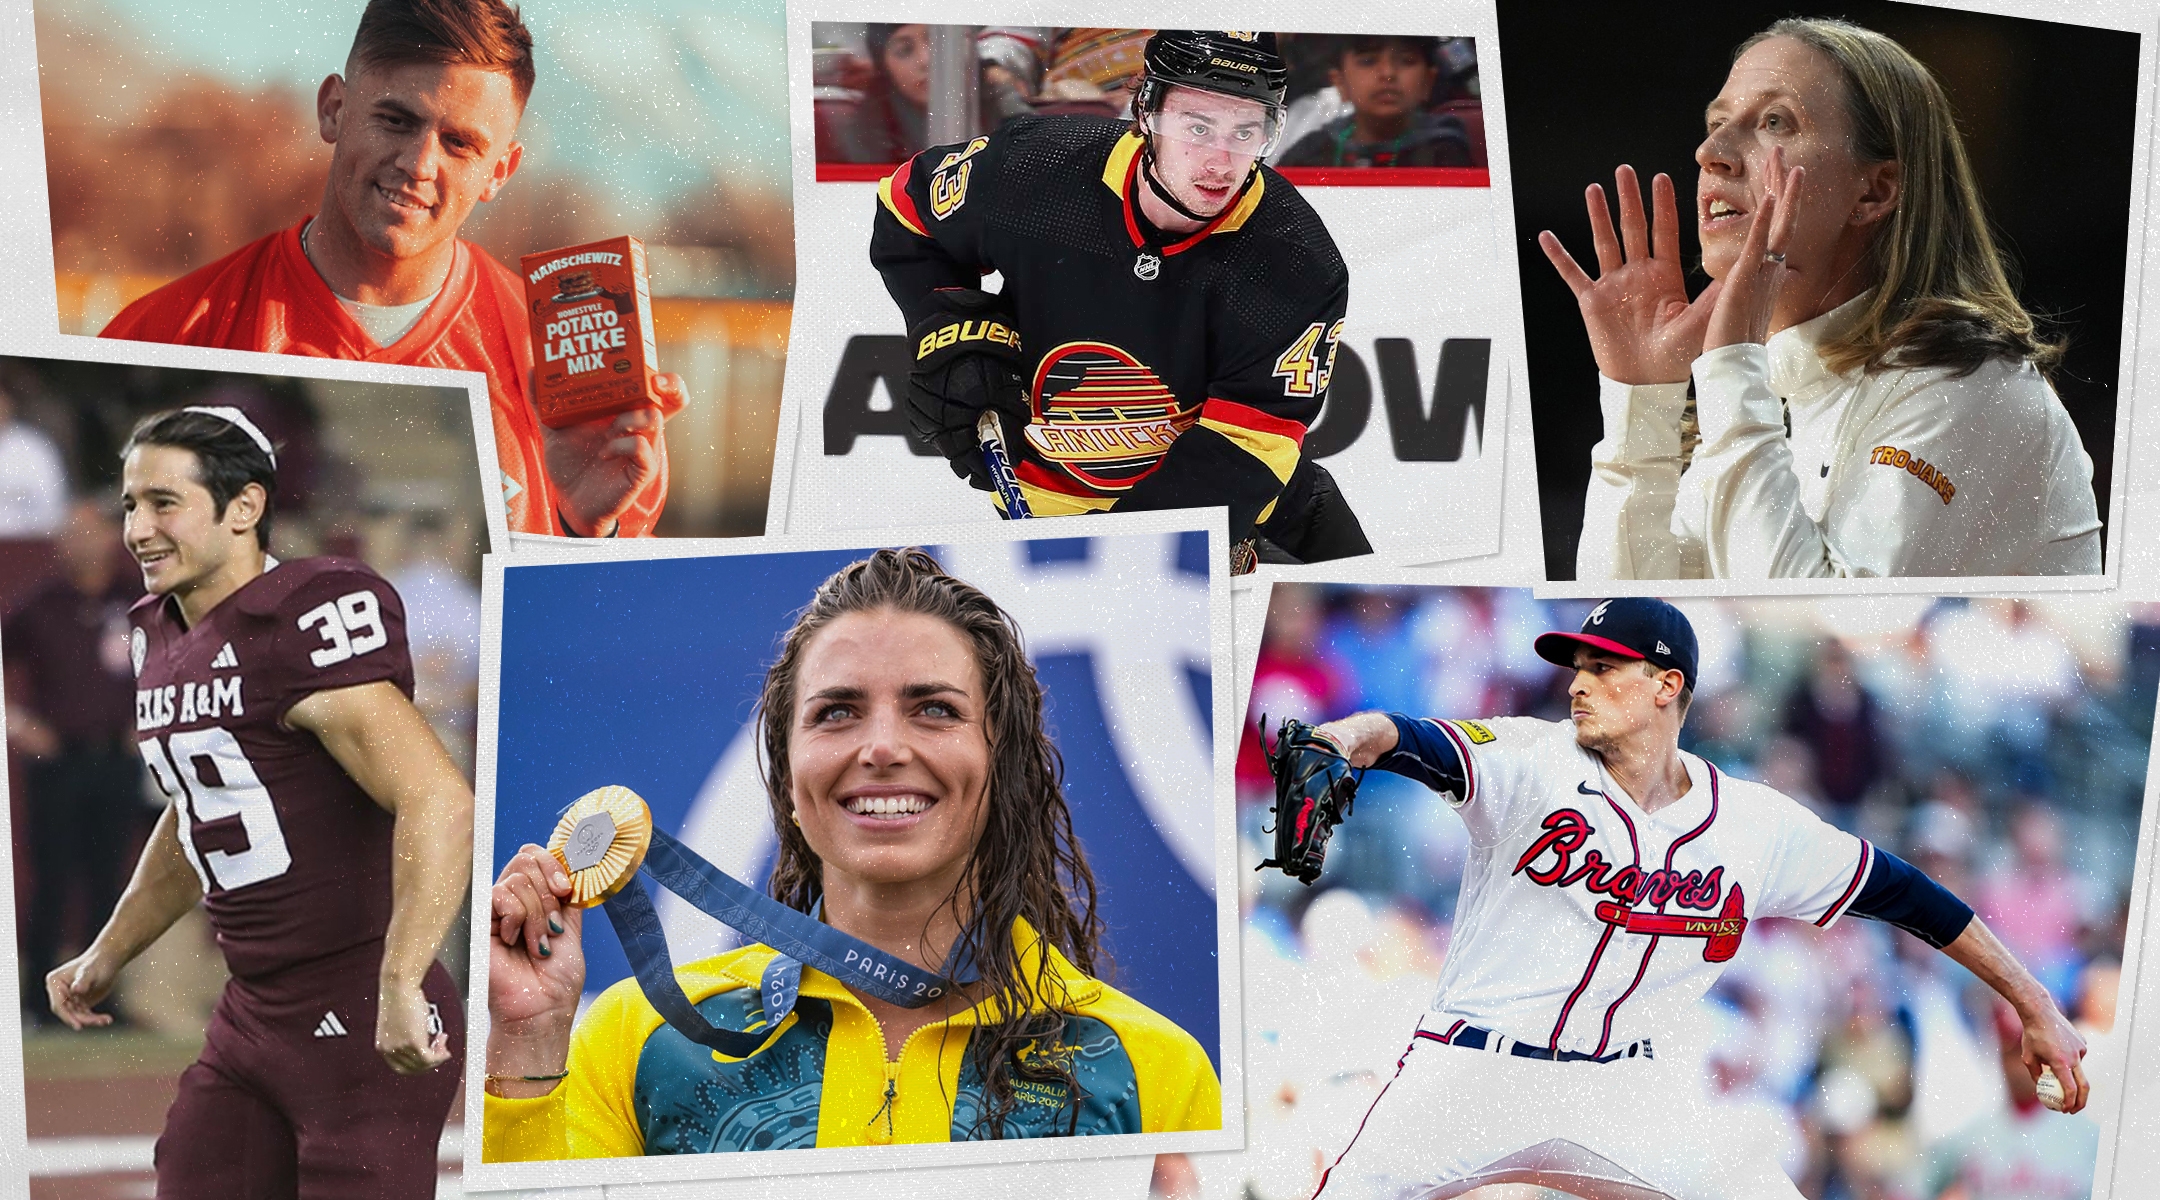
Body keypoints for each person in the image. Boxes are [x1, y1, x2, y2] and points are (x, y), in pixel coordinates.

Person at [1264, 596, 2088, 1199]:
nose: (1579, 683)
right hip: (1470, 1072)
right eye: (1577, 666)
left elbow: (1913, 897)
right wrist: (1341, 740)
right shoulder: (1529, 757)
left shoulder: (1757, 827)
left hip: (1626, 1093)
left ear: (1667, 686)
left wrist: (2036, 1003)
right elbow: (1403, 737)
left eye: (1604, 667)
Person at [482, 548, 1218, 1155]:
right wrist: (527, 1044)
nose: (883, 748)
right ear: (788, 775)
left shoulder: (1150, 1070)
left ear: (1005, 762)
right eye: (837, 712)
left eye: (935, 709)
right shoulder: (642, 1038)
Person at [45, 408, 473, 1197]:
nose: (138, 528)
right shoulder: (157, 633)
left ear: (244, 508)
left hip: (357, 1012)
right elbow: (199, 808)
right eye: (130, 504)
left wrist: (403, 980)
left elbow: (439, 799)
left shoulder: (301, 617)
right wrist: (109, 951)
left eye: (164, 503)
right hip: (251, 1015)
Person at [1539, 18, 2101, 578]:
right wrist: (1643, 405)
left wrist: (1733, 364)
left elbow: (1842, 628)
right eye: (1716, 122)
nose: (1711, 151)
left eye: (1774, 121)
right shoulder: (1769, 393)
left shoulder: (1969, 387)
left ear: (1875, 190)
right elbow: (1637, 611)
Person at [97, 0, 681, 539]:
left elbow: (574, 636)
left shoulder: (564, 376)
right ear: (333, 110)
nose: (418, 164)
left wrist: (579, 527)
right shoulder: (168, 331)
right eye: (397, 121)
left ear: (500, 170)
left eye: (459, 143)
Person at [870, 30, 1371, 569]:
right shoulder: (1036, 168)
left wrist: (1117, 558)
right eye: (1198, 127)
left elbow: (1245, 450)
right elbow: (905, 212)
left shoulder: (1295, 259)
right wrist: (950, 328)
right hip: (1052, 507)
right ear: (1146, 113)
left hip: (1253, 522)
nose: (1221, 163)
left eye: (1245, 131)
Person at [4, 497, 144, 1022]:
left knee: (113, 880)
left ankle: (103, 998)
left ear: (111, 539)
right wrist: (16, 723)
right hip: (58, 761)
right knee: (52, 877)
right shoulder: (39, 606)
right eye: (69, 534)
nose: (78, 543)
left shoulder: (136, 602)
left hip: (116, 757)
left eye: (88, 533)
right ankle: (39, 1001)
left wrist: (148, 722)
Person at [1274, 36, 1472, 170]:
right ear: (1339, 82)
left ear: (1428, 82)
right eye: (1368, 61)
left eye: (1406, 61)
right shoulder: (1311, 151)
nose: (1388, 74)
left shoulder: (1445, 151)